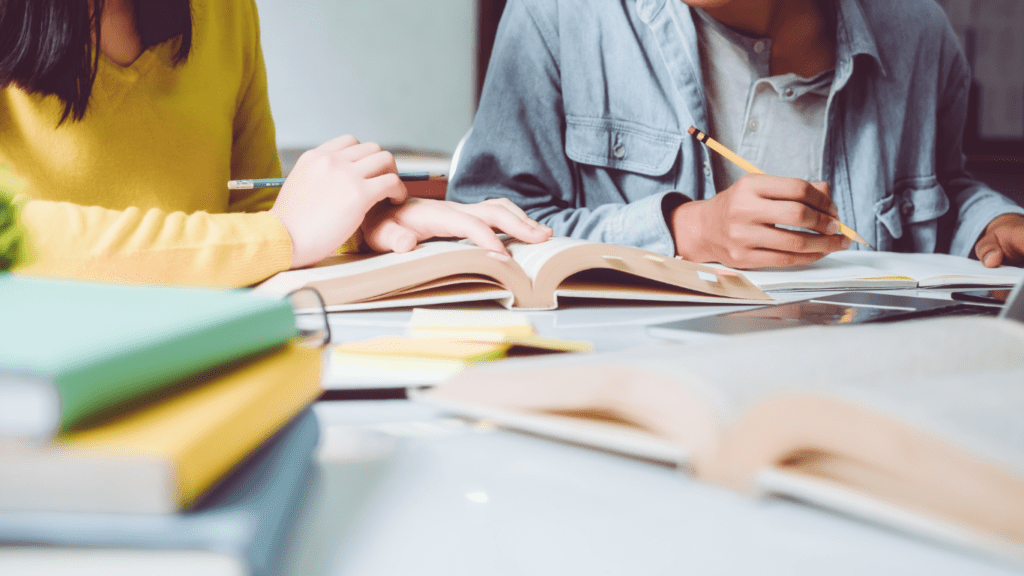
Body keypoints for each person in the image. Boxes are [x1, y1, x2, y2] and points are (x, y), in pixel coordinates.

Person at [0, 0, 551, 288]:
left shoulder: (221, 10)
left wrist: (359, 228)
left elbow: (255, 215)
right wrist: (282, 235)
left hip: (204, 365)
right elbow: (15, 244)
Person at [449, 0, 1024, 269]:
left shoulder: (918, 30)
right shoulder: (559, 16)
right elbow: (478, 228)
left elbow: (943, 188)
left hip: (863, 392)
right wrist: (685, 230)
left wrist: (988, 224)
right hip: (638, 390)